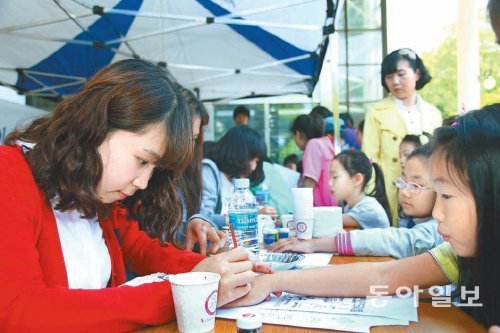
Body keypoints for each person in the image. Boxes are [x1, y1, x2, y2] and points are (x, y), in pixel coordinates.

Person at [0, 59, 270, 331]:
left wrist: (218, 269)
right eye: (142, 160)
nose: (143, 182)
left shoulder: (93, 189)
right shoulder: (9, 173)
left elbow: (142, 248)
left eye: (153, 168)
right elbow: (18, 310)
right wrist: (188, 291)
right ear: (97, 124)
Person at [227, 104, 500, 330]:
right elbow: (384, 274)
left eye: (448, 196)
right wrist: (274, 281)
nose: (437, 211)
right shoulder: (455, 255)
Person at [271, 144, 442, 258]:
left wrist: (313, 243)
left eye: (416, 185)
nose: (404, 192)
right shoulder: (410, 220)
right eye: (402, 182)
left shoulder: (370, 208)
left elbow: (394, 240)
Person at [362, 48, 442, 226]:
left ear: (417, 74)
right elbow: (369, 157)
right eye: (389, 76)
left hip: (426, 194)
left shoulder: (433, 113)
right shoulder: (376, 112)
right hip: (390, 192)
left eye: (401, 74)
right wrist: (373, 194)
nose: (395, 82)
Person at [174, 87, 227, 255]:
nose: (189, 147)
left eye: (194, 139)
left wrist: (200, 221)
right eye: (186, 137)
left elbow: (198, 214)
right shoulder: (141, 182)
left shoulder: (186, 174)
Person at [200, 125, 277, 230]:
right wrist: (250, 217)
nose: (254, 167)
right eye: (252, 160)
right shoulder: (208, 171)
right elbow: (204, 219)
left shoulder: (233, 180)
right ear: (239, 153)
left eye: (257, 162)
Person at [329, 150, 390, 228]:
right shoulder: (349, 206)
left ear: (357, 179)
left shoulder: (369, 209)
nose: (330, 183)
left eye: (335, 177)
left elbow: (330, 219)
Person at [292, 114, 337, 206]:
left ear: (298, 134)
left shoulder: (313, 145)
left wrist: (299, 207)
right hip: (331, 207)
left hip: (319, 209)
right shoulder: (326, 144)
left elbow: (309, 182)